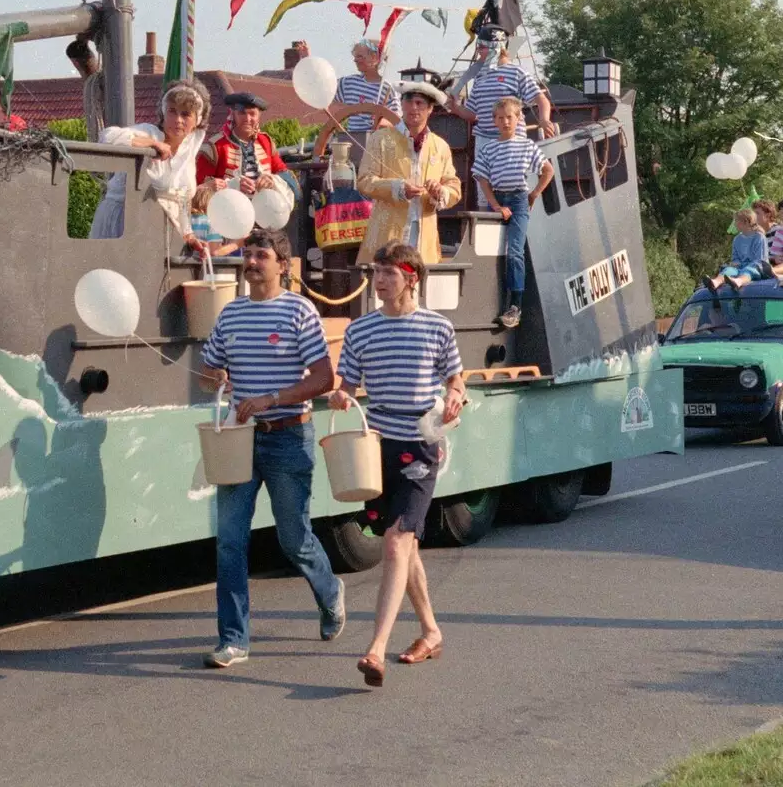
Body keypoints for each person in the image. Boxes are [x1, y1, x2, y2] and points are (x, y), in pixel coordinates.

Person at [199, 228, 345, 668]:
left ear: (282, 265)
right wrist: (215, 377)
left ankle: (330, 590)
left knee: (293, 538)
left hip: (287, 436)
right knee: (229, 541)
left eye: (261, 254)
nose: (252, 261)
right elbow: (207, 369)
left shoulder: (299, 311)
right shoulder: (230, 314)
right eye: (248, 254)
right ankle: (233, 639)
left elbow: (324, 379)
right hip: (240, 440)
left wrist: (271, 398)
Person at [329, 241, 465, 687]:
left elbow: (455, 378)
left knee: (395, 540)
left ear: (412, 277)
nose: (380, 279)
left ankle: (376, 649)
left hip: (421, 446)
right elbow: (347, 383)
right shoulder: (360, 330)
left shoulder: (438, 328)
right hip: (375, 447)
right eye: (377, 271)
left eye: (389, 272)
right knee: (405, 547)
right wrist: (341, 394)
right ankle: (430, 631)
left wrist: (455, 397)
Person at [469, 96, 554, 328]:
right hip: (498, 199)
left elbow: (548, 170)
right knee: (490, 252)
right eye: (501, 118)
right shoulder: (489, 148)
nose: (506, 122)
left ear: (518, 119)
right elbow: (482, 178)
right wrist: (495, 205)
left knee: (515, 250)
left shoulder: (527, 146)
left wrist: (534, 194)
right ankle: (483, 303)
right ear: (494, 121)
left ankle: (515, 306)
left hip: (518, 200)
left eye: (510, 117)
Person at [355, 82, 462, 266]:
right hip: (387, 235)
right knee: (385, 283)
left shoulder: (440, 146)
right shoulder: (380, 139)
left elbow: (453, 186)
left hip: (424, 239)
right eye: (409, 102)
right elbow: (365, 181)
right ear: (402, 105)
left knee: (420, 289)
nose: (414, 108)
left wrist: (440, 191)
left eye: (420, 103)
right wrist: (398, 187)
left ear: (430, 109)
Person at [88, 79, 209, 239]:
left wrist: (189, 236)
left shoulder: (188, 151)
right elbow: (106, 137)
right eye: (172, 111)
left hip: (156, 233)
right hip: (121, 224)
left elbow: (181, 203)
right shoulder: (149, 132)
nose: (178, 120)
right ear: (164, 113)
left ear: (196, 121)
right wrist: (152, 144)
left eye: (185, 114)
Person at [445, 38, 556, 144]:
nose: (478, 52)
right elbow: (473, 114)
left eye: (481, 47)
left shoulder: (516, 72)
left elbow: (542, 100)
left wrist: (544, 120)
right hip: (484, 143)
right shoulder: (479, 77)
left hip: (513, 141)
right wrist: (457, 109)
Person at [195, 92, 295, 206]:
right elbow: (198, 189)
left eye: (252, 114)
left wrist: (272, 180)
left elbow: (287, 177)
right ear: (233, 114)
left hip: (265, 213)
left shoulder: (266, 142)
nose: (247, 118)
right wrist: (231, 186)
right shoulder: (215, 146)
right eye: (242, 113)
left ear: (259, 117)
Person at [312, 39, 401, 158]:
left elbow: (397, 119)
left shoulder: (387, 89)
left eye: (360, 56)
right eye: (355, 56)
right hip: (351, 144)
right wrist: (308, 60)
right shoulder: (349, 83)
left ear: (374, 57)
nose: (355, 60)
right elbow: (324, 89)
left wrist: (381, 121)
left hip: (376, 149)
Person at [702, 208, 767, 293]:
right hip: (740, 267)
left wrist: (745, 268)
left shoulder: (759, 237)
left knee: (749, 270)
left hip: (756, 268)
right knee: (728, 270)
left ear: (746, 222)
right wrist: (735, 264)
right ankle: (715, 282)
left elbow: (760, 260)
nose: (735, 224)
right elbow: (735, 258)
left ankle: (739, 281)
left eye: (736, 221)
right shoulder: (737, 239)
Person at [184, 182, 240, 258]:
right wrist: (236, 244)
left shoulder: (186, 220)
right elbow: (214, 252)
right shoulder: (212, 222)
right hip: (202, 264)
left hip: (185, 262)